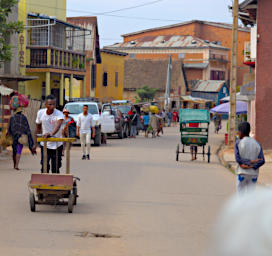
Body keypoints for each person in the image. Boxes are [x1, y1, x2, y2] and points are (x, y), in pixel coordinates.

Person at [34, 95, 64, 173]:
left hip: (57, 145)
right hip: (45, 145)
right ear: (45, 104)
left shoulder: (59, 114)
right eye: (50, 104)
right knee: (45, 166)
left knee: (55, 168)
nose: (52, 106)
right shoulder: (40, 113)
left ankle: (55, 183)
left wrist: (50, 134)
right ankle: (45, 182)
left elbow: (57, 126)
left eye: (54, 104)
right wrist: (34, 143)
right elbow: (38, 128)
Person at [235, 122, 265, 195]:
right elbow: (262, 160)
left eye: (238, 131)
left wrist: (245, 164)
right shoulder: (257, 144)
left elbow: (238, 159)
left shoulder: (238, 143)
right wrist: (253, 166)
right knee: (250, 197)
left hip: (242, 173)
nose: (238, 133)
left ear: (241, 132)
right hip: (253, 174)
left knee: (240, 197)